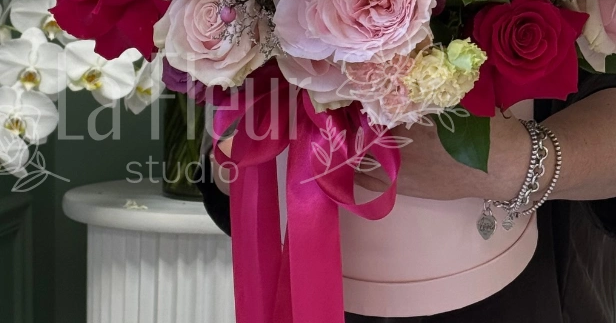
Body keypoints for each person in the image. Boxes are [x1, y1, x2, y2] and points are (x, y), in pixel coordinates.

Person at [200, 70, 616, 322]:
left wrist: (513, 163)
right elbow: (225, 145)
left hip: (531, 291)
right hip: (320, 281)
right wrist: (256, 152)